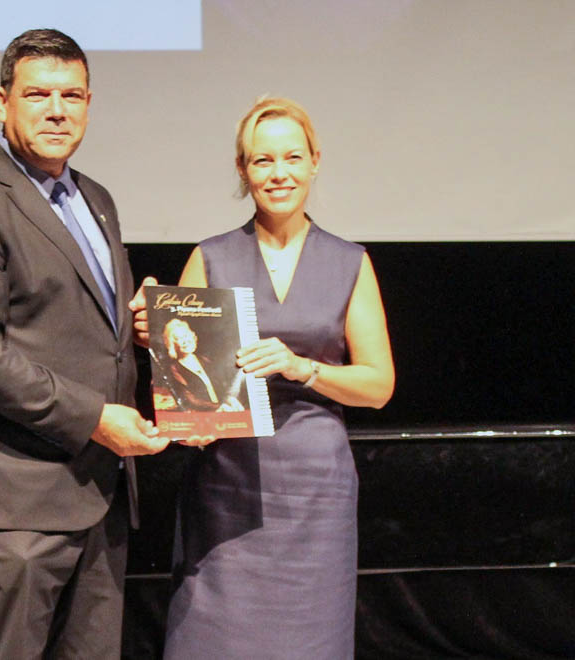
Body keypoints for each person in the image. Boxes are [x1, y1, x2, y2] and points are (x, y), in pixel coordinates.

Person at [0, 28, 168, 660]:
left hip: (98, 496)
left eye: (72, 95)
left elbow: (79, 326)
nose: (57, 110)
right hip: (12, 508)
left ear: (89, 104)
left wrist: (139, 322)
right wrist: (95, 418)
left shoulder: (95, 198)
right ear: (2, 102)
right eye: (38, 94)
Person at [132, 97, 395, 658]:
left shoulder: (349, 262)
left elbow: (378, 386)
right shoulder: (210, 257)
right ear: (243, 169)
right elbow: (181, 372)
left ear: (315, 162)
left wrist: (304, 368)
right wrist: (150, 335)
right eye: (263, 160)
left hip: (314, 489)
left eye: (293, 157)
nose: (280, 173)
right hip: (227, 482)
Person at [160, 318, 246, 412]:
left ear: (192, 336)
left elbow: (222, 387)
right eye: (179, 339)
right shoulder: (175, 369)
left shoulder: (204, 360)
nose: (185, 341)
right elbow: (190, 399)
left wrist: (229, 400)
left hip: (222, 408)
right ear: (172, 344)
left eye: (186, 335)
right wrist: (217, 407)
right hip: (202, 413)